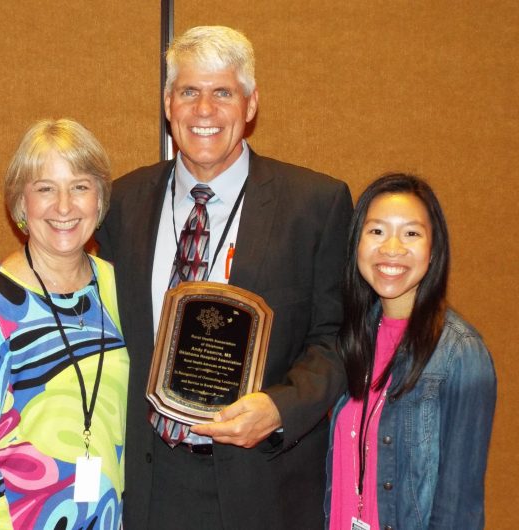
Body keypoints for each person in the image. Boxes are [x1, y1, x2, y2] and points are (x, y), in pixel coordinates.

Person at [96, 26, 353, 529]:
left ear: (251, 104)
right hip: (148, 483)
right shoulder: (122, 203)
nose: (204, 110)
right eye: (189, 91)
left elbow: (339, 336)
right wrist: (7, 290)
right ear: (168, 104)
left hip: (264, 485)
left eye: (223, 93)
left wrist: (279, 409)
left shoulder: (315, 205)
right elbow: (77, 290)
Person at [0, 119, 130, 529]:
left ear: (100, 199)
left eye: (79, 187)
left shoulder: (120, 291)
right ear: (20, 203)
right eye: (45, 188)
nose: (64, 207)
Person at [325, 173, 496, 529]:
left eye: (411, 234)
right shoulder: (348, 340)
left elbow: (460, 508)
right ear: (356, 244)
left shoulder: (460, 353)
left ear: (433, 251)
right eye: (377, 231)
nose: (392, 248)